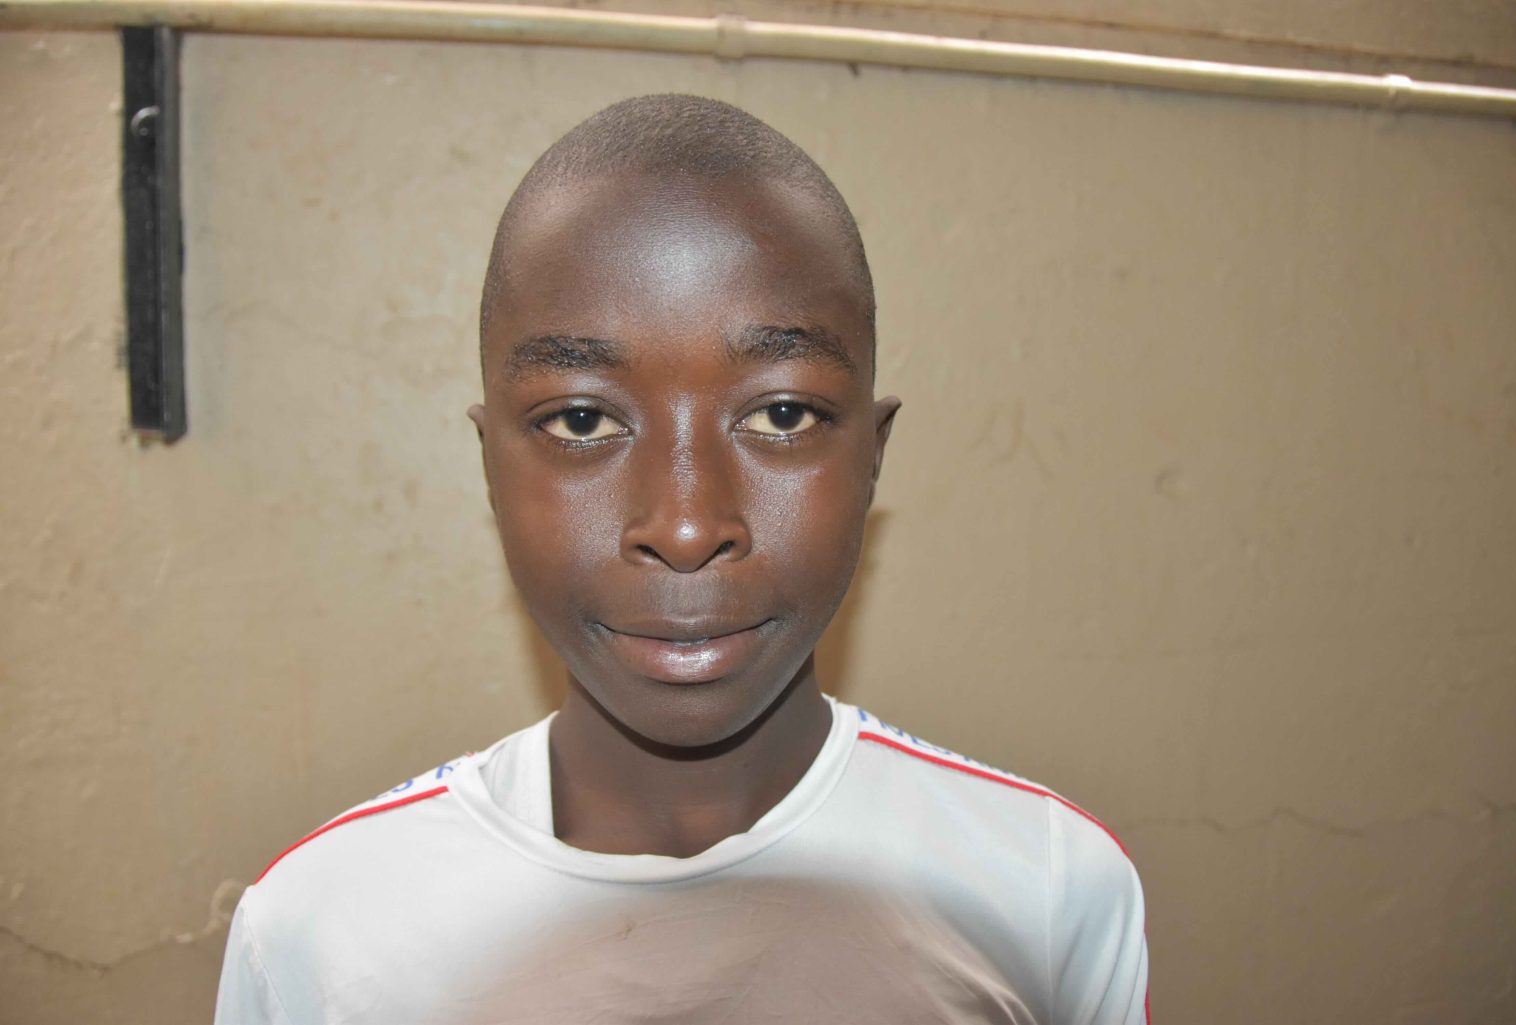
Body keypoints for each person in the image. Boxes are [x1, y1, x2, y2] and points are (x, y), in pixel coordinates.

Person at [214, 93, 1148, 1025]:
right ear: (491, 465)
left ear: (872, 455)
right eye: (583, 420)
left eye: (782, 413)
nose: (690, 524)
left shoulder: (1047, 890)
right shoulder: (321, 934)